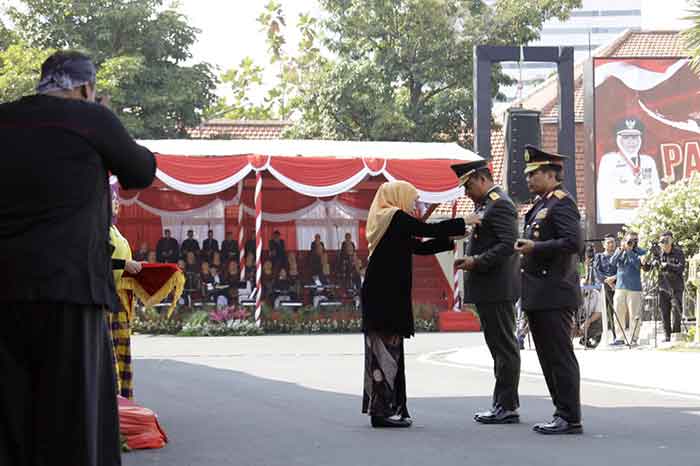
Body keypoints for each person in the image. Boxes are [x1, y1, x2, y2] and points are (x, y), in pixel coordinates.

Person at [0, 50, 155, 466]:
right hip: (70, 289)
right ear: (86, 87)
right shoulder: (91, 118)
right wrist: (106, 118)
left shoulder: (5, 118)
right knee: (71, 414)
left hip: (5, 287)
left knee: (9, 415)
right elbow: (140, 171)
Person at [361, 180, 475, 428]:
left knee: (390, 353)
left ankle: (394, 408)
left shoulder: (388, 222)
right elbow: (426, 230)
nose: (415, 205)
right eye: (412, 200)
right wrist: (464, 221)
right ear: (398, 197)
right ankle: (381, 413)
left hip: (385, 297)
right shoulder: (393, 216)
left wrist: (452, 239)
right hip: (384, 299)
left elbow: (418, 247)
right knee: (385, 355)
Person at [514, 145, 583, 435]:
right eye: (528, 174)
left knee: (559, 355)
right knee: (546, 357)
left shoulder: (562, 203)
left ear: (551, 175)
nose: (528, 179)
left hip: (555, 292)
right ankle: (561, 412)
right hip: (538, 293)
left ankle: (570, 416)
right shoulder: (541, 205)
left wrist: (536, 247)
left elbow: (573, 243)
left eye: (534, 174)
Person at [452, 160, 521, 425]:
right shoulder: (485, 205)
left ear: (482, 179)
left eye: (468, 185)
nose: (466, 192)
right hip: (488, 287)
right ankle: (501, 403)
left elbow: (507, 245)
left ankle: (507, 405)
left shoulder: (499, 204)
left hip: (497, 287)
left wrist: (476, 262)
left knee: (504, 346)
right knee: (497, 347)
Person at [108, 184, 143, 400]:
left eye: (117, 199)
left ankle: (124, 401)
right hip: (104, 299)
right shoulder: (96, 228)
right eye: (113, 199)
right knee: (108, 357)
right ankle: (111, 404)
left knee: (121, 354)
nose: (117, 204)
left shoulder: (115, 230)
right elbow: (94, 260)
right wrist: (124, 264)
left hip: (119, 300)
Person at [597, 118, 661, 225]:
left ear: (640, 139)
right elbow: (603, 195)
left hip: (646, 220)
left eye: (635, 137)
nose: (631, 142)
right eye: (626, 137)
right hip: (618, 219)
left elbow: (656, 191)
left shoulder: (648, 161)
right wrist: (607, 222)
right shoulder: (609, 160)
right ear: (619, 139)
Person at [610, 231, 646, 345]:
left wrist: (630, 251)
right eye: (630, 240)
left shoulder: (641, 252)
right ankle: (619, 337)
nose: (633, 242)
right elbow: (612, 262)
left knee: (634, 314)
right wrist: (621, 250)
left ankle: (633, 337)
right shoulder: (620, 250)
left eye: (636, 240)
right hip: (620, 286)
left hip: (634, 288)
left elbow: (637, 265)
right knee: (618, 312)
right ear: (625, 240)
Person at [657, 231, 686, 342]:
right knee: (664, 312)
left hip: (676, 287)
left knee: (676, 310)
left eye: (667, 240)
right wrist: (646, 264)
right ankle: (667, 336)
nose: (664, 242)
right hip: (663, 287)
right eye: (662, 240)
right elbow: (648, 268)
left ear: (671, 240)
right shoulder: (659, 254)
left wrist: (668, 265)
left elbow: (681, 268)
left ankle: (676, 335)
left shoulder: (678, 252)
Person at [594, 234, 619, 341]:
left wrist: (614, 280)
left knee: (616, 313)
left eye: (613, 242)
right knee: (602, 313)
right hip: (604, 289)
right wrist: (608, 282)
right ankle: (597, 337)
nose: (611, 244)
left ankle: (616, 336)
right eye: (608, 242)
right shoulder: (599, 256)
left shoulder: (619, 256)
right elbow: (597, 272)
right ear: (604, 244)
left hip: (617, 287)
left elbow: (622, 270)